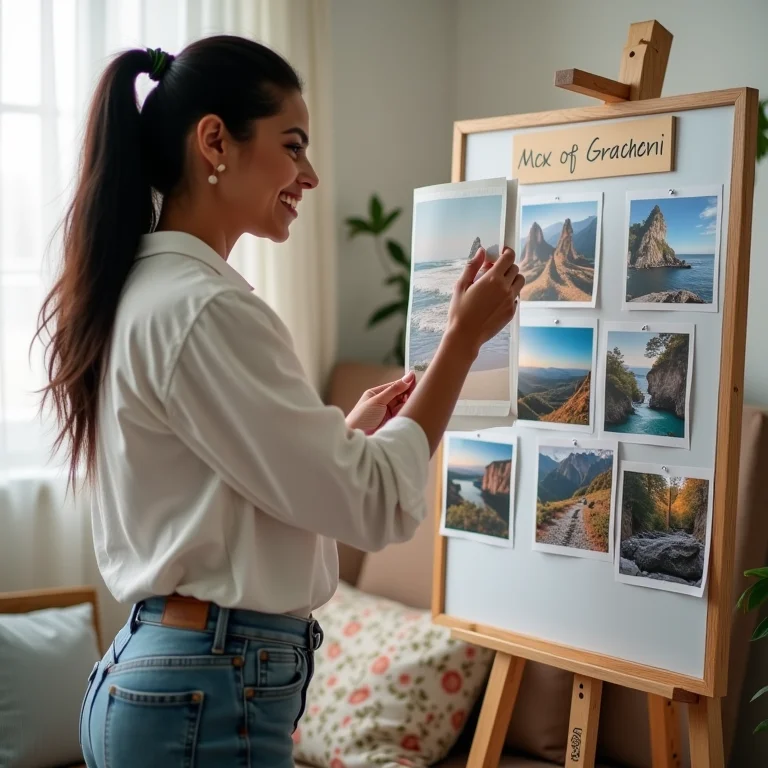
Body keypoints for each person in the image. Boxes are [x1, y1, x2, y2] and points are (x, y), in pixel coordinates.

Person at [34, 35, 523, 768]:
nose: (311, 175)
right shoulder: (205, 309)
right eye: (293, 147)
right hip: (207, 686)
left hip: (172, 680)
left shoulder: (150, 293)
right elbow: (374, 502)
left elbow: (233, 493)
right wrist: (463, 342)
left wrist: (344, 436)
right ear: (214, 142)